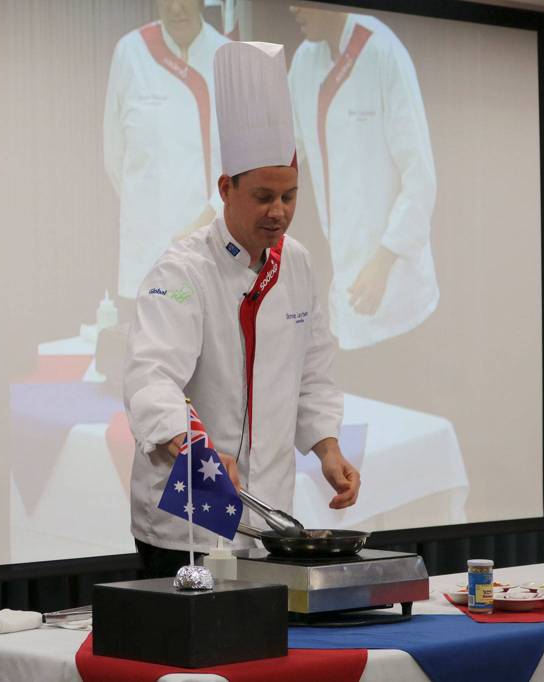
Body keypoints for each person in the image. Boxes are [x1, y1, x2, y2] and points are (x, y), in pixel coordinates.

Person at [124, 41, 360, 578]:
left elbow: (314, 373)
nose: (279, 212)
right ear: (225, 187)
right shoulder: (182, 272)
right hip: (187, 516)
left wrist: (327, 448)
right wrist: (198, 448)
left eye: (290, 196)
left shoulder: (295, 265)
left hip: (267, 517)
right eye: (263, 196)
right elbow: (151, 378)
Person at [287, 6, 438, 350]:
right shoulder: (304, 62)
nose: (292, 8)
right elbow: (285, 151)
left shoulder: (383, 52)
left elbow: (420, 178)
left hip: (397, 290)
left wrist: (382, 264)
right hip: (347, 286)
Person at [103, 0, 229, 313]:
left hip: (208, 244)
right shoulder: (130, 53)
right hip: (145, 248)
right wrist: (146, 208)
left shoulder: (225, 56)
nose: (175, 8)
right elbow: (113, 153)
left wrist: (207, 219)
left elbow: (239, 159)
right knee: (149, 354)